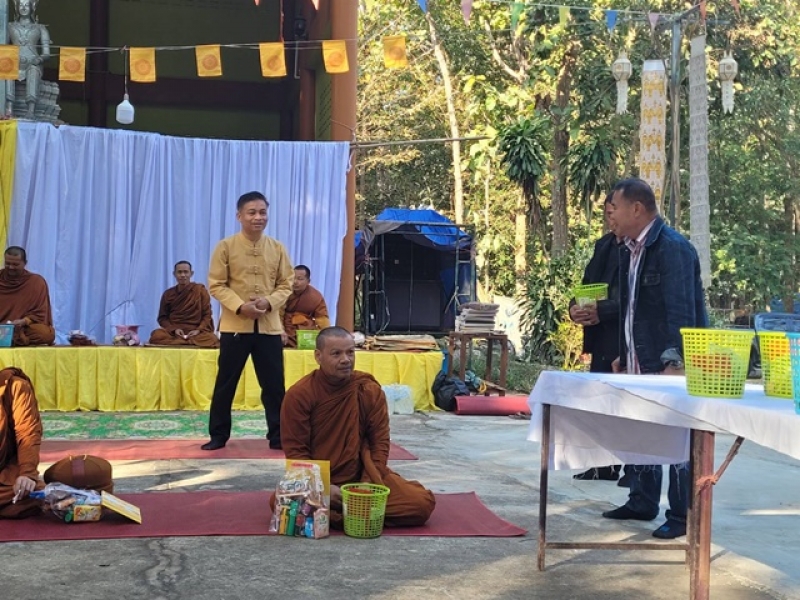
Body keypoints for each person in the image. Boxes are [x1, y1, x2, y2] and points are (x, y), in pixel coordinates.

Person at [601, 178, 708, 540]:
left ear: (637, 209)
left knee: (676, 438)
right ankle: (642, 500)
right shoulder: (628, 250)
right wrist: (624, 351)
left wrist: (675, 360)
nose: (610, 215)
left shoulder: (672, 248)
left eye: (614, 208)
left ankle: (682, 515)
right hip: (639, 358)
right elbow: (632, 308)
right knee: (641, 429)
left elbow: (681, 310)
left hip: (669, 363)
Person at [281, 326, 436, 528]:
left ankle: (335, 516)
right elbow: (296, 452)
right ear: (318, 356)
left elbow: (379, 442)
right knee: (279, 502)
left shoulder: (367, 389)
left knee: (420, 504)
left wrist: (366, 486)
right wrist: (324, 487)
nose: (346, 359)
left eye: (350, 352)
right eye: (336, 354)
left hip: (363, 478)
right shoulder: (300, 395)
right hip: (321, 482)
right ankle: (359, 514)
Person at [202, 191, 294, 451]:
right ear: (239, 216)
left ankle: (278, 435)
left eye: (262, 212)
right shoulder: (225, 247)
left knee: (274, 385)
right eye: (251, 212)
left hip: (269, 328)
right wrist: (241, 307)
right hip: (235, 327)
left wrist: (268, 302)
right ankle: (218, 435)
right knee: (226, 383)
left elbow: (286, 284)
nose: (258, 217)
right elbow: (216, 284)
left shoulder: (277, 248)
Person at [569, 193, 626, 482]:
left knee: (625, 407)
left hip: (624, 336)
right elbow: (586, 286)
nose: (610, 217)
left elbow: (637, 300)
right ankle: (602, 465)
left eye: (614, 211)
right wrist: (574, 309)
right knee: (600, 403)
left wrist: (602, 311)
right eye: (607, 212)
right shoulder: (603, 245)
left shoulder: (641, 249)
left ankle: (633, 469)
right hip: (600, 335)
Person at [0, 367, 45, 519]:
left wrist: (27, 474)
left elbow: (27, 434)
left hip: (6, 470)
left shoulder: (16, 387)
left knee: (32, 491)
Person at [148, 261, 219, 348]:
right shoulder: (168, 294)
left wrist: (198, 330)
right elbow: (162, 318)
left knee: (211, 338)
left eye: (186, 272)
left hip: (196, 332)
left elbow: (207, 315)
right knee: (157, 335)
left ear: (191, 273)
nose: (182, 275)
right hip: (174, 332)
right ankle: (188, 342)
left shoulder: (200, 291)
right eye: (179, 272)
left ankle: (180, 342)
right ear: (174, 274)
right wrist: (174, 329)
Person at [0, 246, 55, 346]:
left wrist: (24, 321)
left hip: (22, 327)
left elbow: (40, 313)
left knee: (45, 334)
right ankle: (12, 339)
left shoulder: (36, 282)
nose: (11, 267)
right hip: (1, 327)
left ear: (25, 263)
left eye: (15, 264)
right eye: (7, 263)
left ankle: (11, 339)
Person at [7, 0, 51, 118]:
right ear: (16, 7)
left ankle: (31, 109)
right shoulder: (10, 26)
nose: (24, 8)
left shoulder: (40, 28)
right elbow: (3, 47)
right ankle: (9, 107)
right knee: (7, 68)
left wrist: (39, 59)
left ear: (33, 7)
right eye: (21, 5)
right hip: (14, 62)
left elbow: (46, 53)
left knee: (33, 70)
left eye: (27, 5)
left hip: (32, 62)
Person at [281, 264, 331, 348]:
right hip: (282, 327)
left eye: (300, 279)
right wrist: (280, 329)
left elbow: (322, 318)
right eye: (293, 278)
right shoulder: (283, 292)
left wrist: (326, 337)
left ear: (308, 281)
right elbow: (276, 312)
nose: (295, 282)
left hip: (303, 330)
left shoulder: (315, 296)